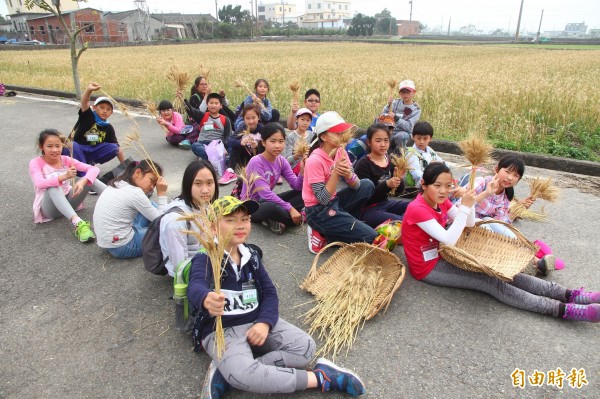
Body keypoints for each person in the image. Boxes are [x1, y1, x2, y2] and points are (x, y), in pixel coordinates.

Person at [187, 196, 366, 398]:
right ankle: (321, 378)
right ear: (213, 228)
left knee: (306, 349)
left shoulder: (251, 257)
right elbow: (195, 286)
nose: (240, 225)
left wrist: (265, 322)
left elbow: (270, 293)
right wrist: (205, 298)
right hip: (222, 329)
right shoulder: (206, 258)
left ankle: (228, 373)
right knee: (244, 373)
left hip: (256, 322)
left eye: (245, 219)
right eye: (230, 220)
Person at [401, 162, 600, 323]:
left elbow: (469, 223)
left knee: (506, 273)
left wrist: (473, 201)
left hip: (445, 254)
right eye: (437, 186)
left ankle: (569, 294)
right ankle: (562, 309)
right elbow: (449, 239)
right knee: (490, 280)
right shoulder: (417, 209)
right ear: (424, 186)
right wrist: (465, 207)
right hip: (429, 267)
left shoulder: (440, 200)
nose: (444, 191)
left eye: (448, 185)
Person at [456, 154, 564, 275]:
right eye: (507, 171)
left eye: (515, 175)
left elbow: (501, 222)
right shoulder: (481, 182)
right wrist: (486, 193)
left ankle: (534, 260)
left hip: (483, 227)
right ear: (496, 169)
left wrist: (518, 208)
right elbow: (461, 206)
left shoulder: (506, 195)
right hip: (465, 225)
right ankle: (530, 259)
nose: (510, 178)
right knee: (485, 226)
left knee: (494, 225)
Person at [302, 111, 378, 254]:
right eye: (337, 133)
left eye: (343, 132)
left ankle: (340, 225)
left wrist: (349, 174)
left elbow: (356, 185)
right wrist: (336, 173)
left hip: (334, 202)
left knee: (367, 184)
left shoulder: (340, 151)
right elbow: (322, 199)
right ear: (323, 136)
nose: (342, 136)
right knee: (370, 237)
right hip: (318, 210)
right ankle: (320, 229)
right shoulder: (315, 160)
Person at [29, 129, 106, 242]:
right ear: (41, 146)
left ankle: (120, 201)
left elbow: (94, 169)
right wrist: (63, 177)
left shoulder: (66, 159)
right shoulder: (36, 162)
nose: (54, 150)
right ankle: (79, 223)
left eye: (58, 146)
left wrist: (84, 180)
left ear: (62, 146)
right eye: (49, 146)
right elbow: (40, 184)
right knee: (53, 186)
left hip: (70, 203)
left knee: (90, 179)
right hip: (50, 210)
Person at [93, 160, 168, 259]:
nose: (152, 187)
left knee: (151, 205)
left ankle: (146, 229)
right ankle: (148, 230)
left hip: (108, 240)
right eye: (152, 180)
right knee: (167, 233)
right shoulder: (135, 193)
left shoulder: (118, 183)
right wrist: (162, 194)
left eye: (155, 184)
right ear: (137, 173)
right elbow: (163, 222)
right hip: (123, 246)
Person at [241, 123, 304, 235]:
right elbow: (265, 194)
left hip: (266, 200)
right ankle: (301, 217)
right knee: (270, 208)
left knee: (304, 194)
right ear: (264, 142)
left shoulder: (281, 161)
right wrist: (290, 208)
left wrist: (303, 173)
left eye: (281, 141)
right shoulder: (256, 161)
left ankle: (276, 219)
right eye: (273, 141)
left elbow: (296, 185)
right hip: (251, 206)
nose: (277, 145)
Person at [159, 160, 218, 277]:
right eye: (198, 184)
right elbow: (180, 266)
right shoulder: (176, 220)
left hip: (203, 255)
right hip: (191, 270)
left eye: (210, 183)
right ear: (187, 184)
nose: (205, 190)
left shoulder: (202, 205)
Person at [354, 123, 410, 228]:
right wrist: (387, 184)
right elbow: (363, 196)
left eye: (386, 140)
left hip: (384, 203)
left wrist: (399, 180)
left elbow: (397, 192)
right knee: (402, 221)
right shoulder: (363, 164)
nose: (383, 144)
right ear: (369, 142)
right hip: (367, 209)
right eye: (378, 141)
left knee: (414, 207)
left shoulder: (390, 160)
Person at [63, 82, 125, 166]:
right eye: (102, 107)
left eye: (108, 109)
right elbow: (84, 102)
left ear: (111, 112)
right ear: (94, 108)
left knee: (114, 148)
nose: (105, 111)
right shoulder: (88, 116)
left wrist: (125, 166)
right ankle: (86, 170)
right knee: (72, 145)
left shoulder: (108, 128)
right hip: (75, 149)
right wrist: (89, 90)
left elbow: (118, 149)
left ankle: (88, 162)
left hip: (90, 151)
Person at [220, 105, 264, 185]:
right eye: (247, 118)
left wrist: (258, 145)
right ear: (244, 119)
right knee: (235, 147)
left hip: (259, 158)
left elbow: (269, 145)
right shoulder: (242, 128)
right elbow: (229, 141)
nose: (251, 121)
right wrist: (240, 142)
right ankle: (230, 171)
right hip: (245, 159)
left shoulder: (263, 129)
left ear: (258, 117)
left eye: (253, 118)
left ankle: (270, 169)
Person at [185, 93, 232, 161]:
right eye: (211, 103)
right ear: (207, 104)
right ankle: (215, 158)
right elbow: (191, 111)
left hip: (218, 145)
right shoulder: (202, 116)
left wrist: (223, 147)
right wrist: (183, 100)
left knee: (232, 149)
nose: (213, 105)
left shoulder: (225, 120)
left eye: (216, 103)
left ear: (221, 106)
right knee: (195, 146)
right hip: (204, 144)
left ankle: (208, 158)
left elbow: (227, 136)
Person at [381, 79, 421, 151]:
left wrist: (396, 118)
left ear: (413, 92)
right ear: (399, 93)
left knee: (400, 137)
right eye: (403, 92)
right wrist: (388, 105)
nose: (405, 94)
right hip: (391, 131)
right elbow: (384, 115)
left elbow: (409, 127)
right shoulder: (395, 102)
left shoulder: (416, 109)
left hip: (404, 133)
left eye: (408, 92)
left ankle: (400, 155)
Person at [405, 121, 444, 190]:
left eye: (425, 138)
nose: (422, 142)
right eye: (419, 138)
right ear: (413, 137)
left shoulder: (430, 151)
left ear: (430, 138)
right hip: (416, 187)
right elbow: (417, 174)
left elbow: (443, 164)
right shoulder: (411, 154)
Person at [283, 108, 315, 175]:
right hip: (295, 166)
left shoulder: (312, 135)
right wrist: (297, 155)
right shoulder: (291, 137)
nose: (305, 123)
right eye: (302, 119)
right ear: (296, 119)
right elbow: (287, 160)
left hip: (309, 163)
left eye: (308, 120)